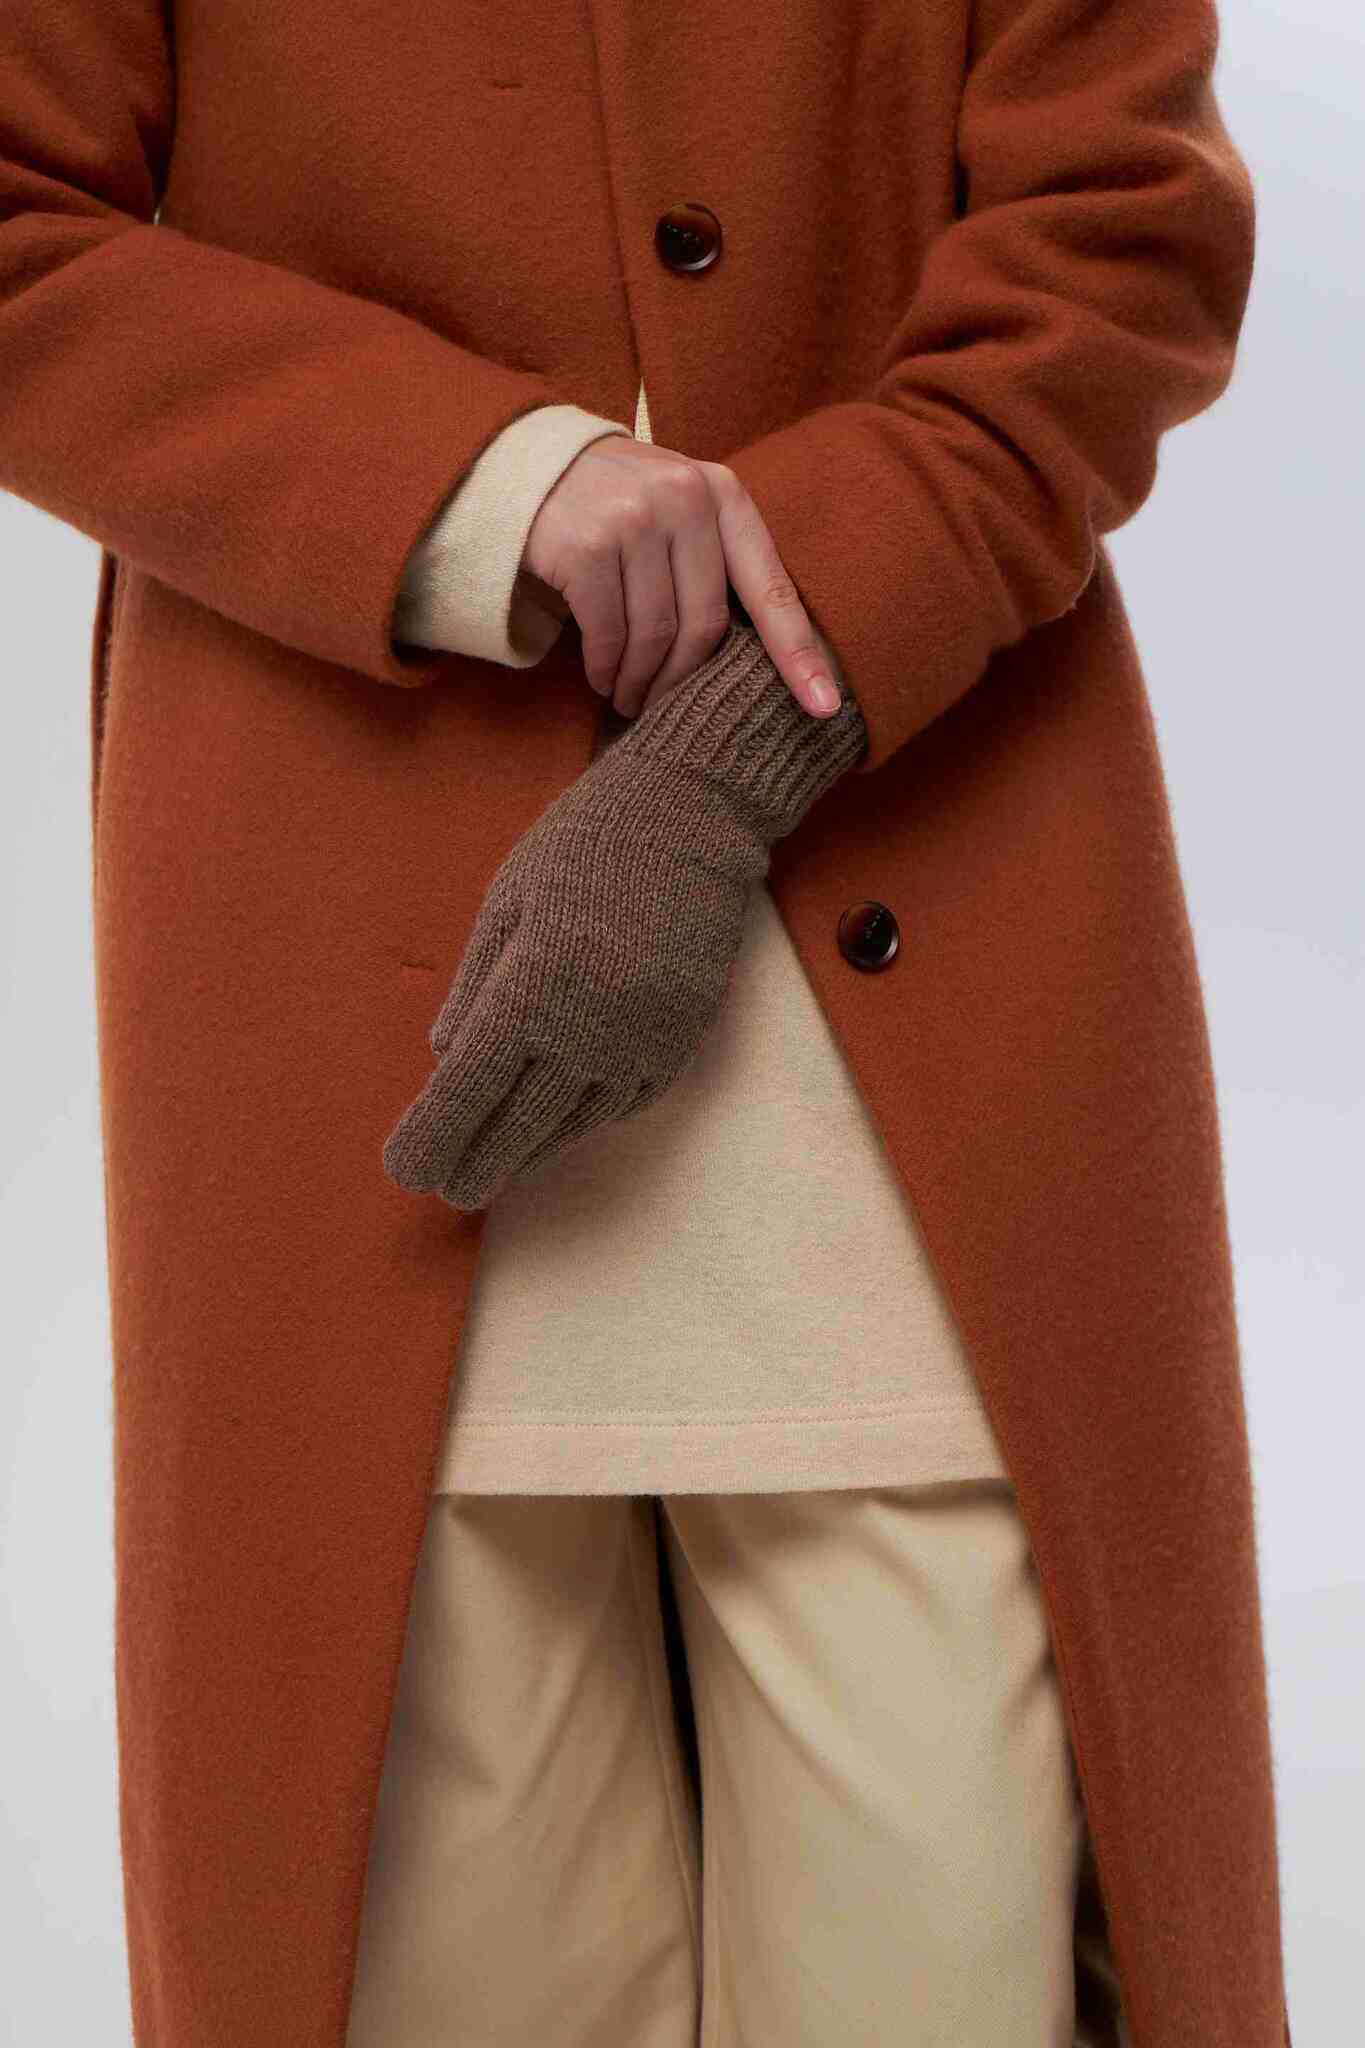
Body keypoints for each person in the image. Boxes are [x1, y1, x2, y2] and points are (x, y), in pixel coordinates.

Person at [0, 2, 1290, 2044]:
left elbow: (1118, 238)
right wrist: (495, 486)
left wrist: (737, 737)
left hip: (917, 932)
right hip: (360, 1007)